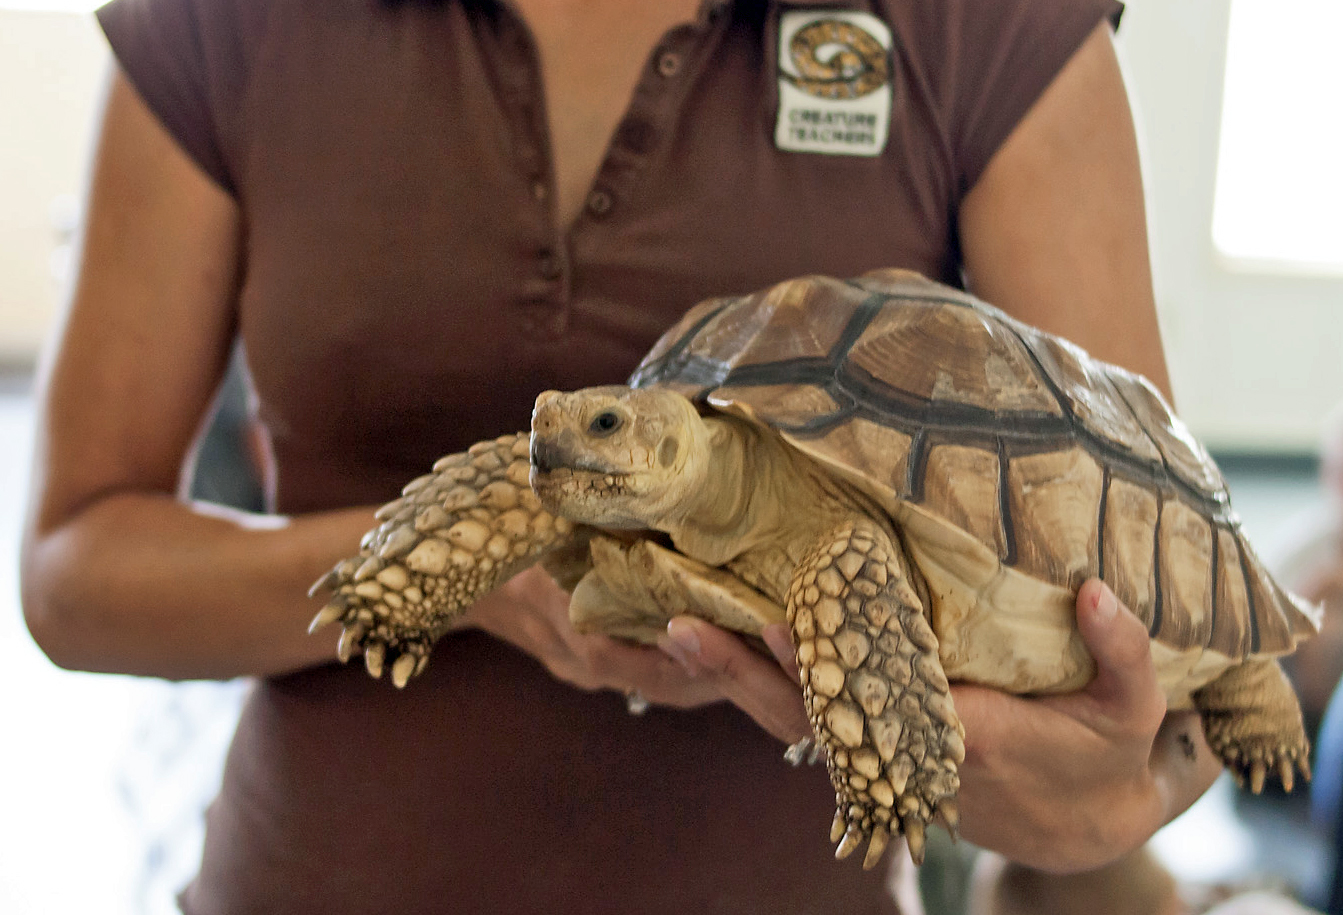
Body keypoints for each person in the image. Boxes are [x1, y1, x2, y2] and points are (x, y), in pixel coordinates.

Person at [20, 0, 1224, 911]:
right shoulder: (232, 24)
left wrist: (1087, 796)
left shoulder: (981, 25)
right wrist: (471, 577)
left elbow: (1158, 612)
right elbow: (76, 575)